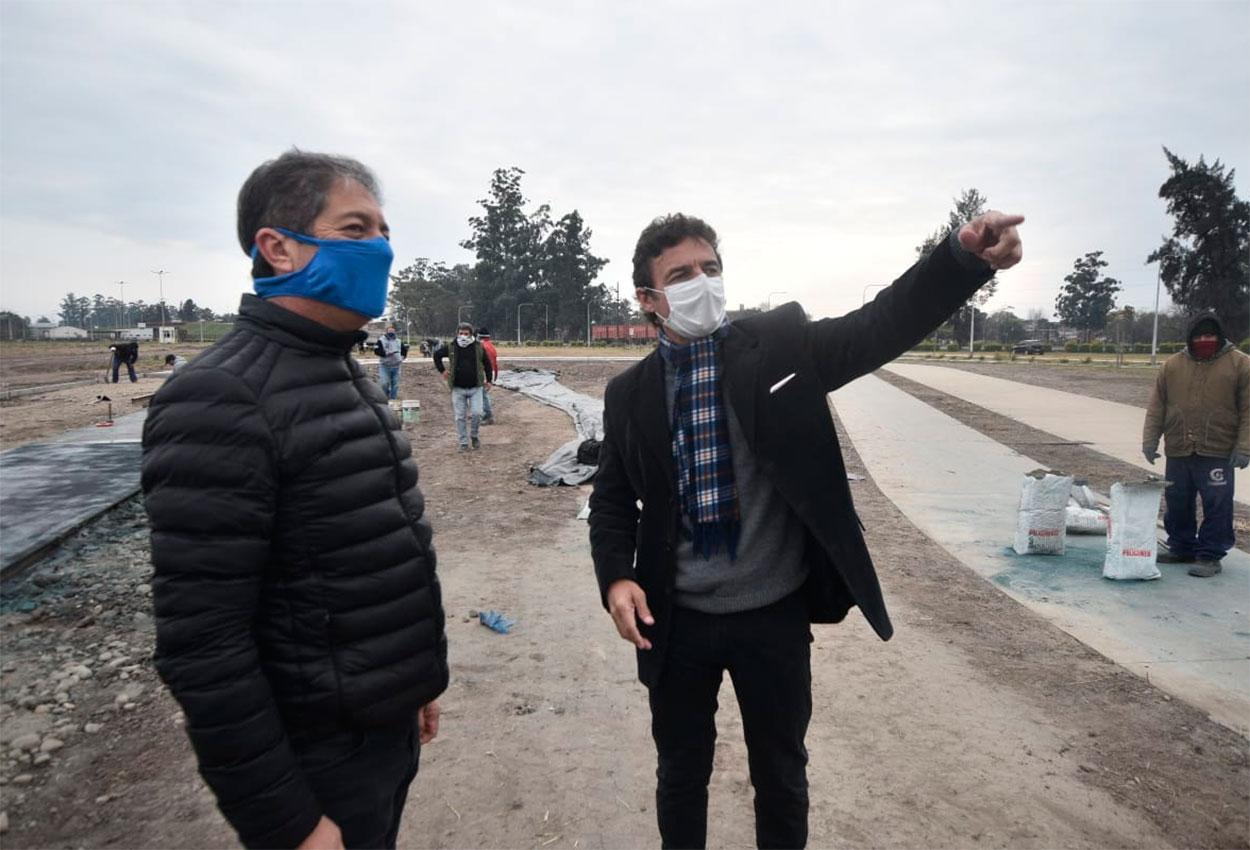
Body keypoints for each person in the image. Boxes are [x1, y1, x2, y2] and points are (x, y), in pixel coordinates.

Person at [589, 210, 1023, 848]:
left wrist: (960, 259)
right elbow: (613, 500)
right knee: (680, 775)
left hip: (773, 616)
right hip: (675, 624)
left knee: (782, 776)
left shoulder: (778, 345)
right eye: (681, 275)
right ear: (649, 299)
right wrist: (616, 577)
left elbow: (878, 326)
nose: (701, 283)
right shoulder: (630, 393)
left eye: (710, 269)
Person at [141, 149, 448, 850]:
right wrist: (287, 822)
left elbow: (373, 552)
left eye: (383, 230)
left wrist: (410, 685)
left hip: (378, 731)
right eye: (355, 228)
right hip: (316, 759)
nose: (382, 248)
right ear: (277, 248)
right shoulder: (223, 397)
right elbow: (202, 644)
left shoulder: (341, 373)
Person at [1143, 312, 1249, 577]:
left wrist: (1245, 447)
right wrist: (1150, 439)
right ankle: (1181, 546)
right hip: (1179, 446)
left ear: (1220, 336)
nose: (1205, 340)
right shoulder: (1172, 366)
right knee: (1177, 499)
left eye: (1210, 335)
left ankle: (1211, 554)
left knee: (1217, 502)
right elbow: (1157, 406)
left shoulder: (1240, 365)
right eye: (1199, 336)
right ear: (1190, 338)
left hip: (1217, 449)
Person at [433, 321, 492, 451]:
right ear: (457, 334)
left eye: (466, 333)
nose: (463, 336)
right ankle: (463, 443)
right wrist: (442, 370)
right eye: (461, 333)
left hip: (476, 387)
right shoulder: (452, 347)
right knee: (460, 416)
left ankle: (474, 435)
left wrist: (489, 380)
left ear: (471, 334)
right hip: (457, 388)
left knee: (477, 413)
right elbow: (436, 355)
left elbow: (487, 363)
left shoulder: (478, 347)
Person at [373, 324, 408, 400]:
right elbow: (376, 351)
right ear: (386, 332)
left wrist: (401, 358)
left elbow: (404, 351)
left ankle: (393, 399)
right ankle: (386, 397)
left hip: (396, 366)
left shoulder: (398, 341)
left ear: (395, 332)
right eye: (389, 331)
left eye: (393, 331)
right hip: (385, 366)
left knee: (395, 385)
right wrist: (386, 353)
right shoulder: (381, 340)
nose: (391, 333)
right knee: (384, 383)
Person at [477, 326, 499, 423]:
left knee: (483, 394)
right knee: (482, 394)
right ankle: (482, 413)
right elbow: (495, 362)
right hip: (489, 373)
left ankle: (488, 416)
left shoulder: (482, 346)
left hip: (484, 373)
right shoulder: (491, 345)